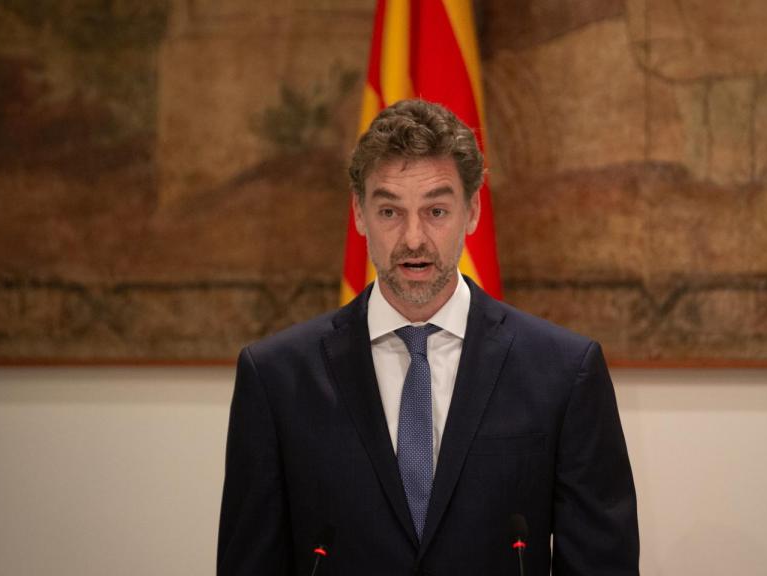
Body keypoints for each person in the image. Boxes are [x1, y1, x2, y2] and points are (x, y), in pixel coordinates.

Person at [218, 99, 639, 575]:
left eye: (436, 211)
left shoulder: (564, 371)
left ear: (472, 212)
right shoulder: (276, 378)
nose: (414, 238)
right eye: (390, 211)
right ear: (359, 214)